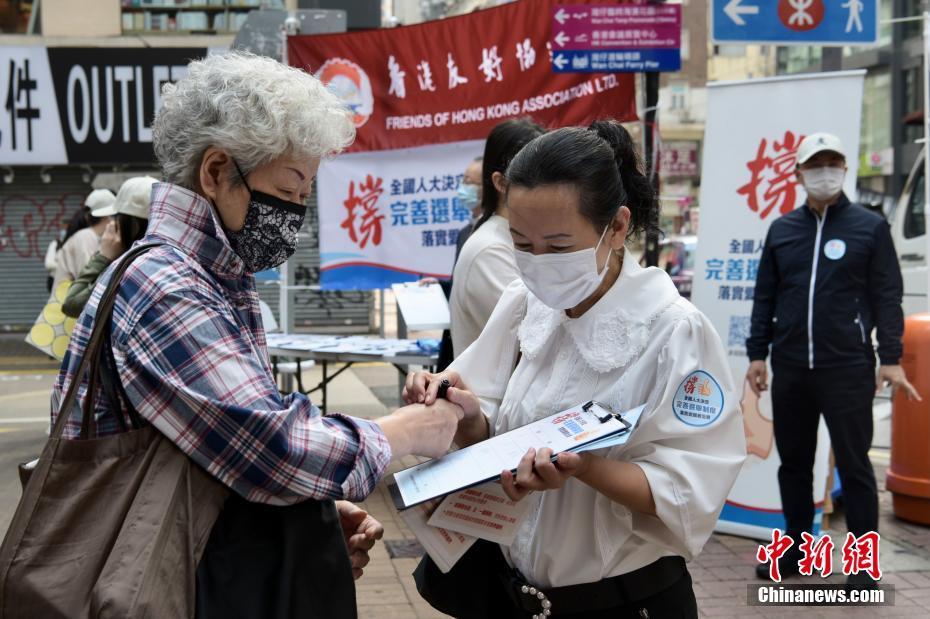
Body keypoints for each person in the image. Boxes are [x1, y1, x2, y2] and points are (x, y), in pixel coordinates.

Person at [52, 51, 464, 618]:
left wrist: (301, 512)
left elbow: (222, 447)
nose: (296, 212)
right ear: (217, 171)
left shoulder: (215, 274)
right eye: (291, 189)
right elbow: (272, 445)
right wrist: (405, 431)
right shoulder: (164, 284)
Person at [406, 121, 746, 618]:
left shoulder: (673, 332)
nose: (538, 262)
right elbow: (497, 432)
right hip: (517, 595)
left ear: (618, 226)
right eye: (522, 244)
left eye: (559, 246)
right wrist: (466, 414)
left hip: (623, 601)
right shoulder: (526, 305)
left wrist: (585, 467)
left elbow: (688, 487)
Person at [745, 132, 920, 588]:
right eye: (815, 164)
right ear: (799, 173)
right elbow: (765, 297)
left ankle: (863, 566)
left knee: (856, 465)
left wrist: (891, 357)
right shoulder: (782, 230)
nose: (825, 171)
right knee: (794, 466)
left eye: (833, 163)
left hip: (848, 369)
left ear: (844, 169)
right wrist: (756, 354)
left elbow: (888, 296)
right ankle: (796, 556)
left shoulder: (870, 227)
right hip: (791, 369)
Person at [449, 118, 545, 357]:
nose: (549, 190)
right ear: (501, 183)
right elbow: (533, 343)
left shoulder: (519, 240)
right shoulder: (490, 251)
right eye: (537, 180)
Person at [62, 176, 158, 318]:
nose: (113, 223)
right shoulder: (168, 257)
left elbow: (71, 305)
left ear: (129, 224)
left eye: (116, 217)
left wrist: (103, 256)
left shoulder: (124, 268)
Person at [434, 155, 483, 370]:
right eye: (463, 180)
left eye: (470, 182)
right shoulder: (465, 233)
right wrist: (438, 286)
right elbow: (461, 285)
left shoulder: (493, 236)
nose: (464, 187)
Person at [50, 189, 116, 291]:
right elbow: (87, 278)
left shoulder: (90, 237)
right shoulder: (86, 237)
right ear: (107, 216)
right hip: (65, 304)